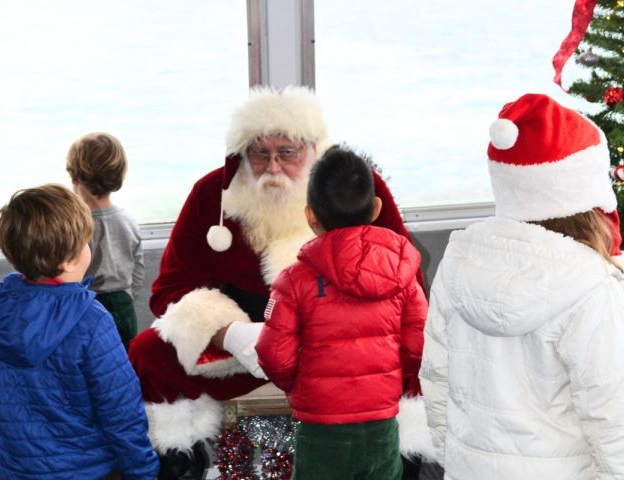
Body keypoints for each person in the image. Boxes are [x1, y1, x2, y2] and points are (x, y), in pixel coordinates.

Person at [128, 86, 434, 479]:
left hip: (344, 340)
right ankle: (181, 460)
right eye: (260, 154)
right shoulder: (213, 195)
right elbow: (168, 291)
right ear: (242, 153)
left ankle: (406, 459)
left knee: (419, 352)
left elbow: (406, 279)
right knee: (148, 352)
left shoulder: (352, 184)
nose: (273, 168)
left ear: (312, 149)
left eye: (287, 153)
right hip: (237, 345)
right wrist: (229, 333)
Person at [419, 93, 624, 479]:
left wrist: (458, 459)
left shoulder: (460, 262)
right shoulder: (590, 286)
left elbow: (437, 378)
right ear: (588, 192)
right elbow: (616, 419)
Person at [255, 146, 428, 480]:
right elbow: (418, 346)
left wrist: (300, 385)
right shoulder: (402, 275)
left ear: (310, 216)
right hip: (381, 423)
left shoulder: (293, 281)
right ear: (376, 207)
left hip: (321, 427)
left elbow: (273, 355)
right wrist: (388, 377)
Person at [0, 184, 159, 480]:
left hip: (19, 468)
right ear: (68, 260)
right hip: (91, 470)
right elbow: (120, 407)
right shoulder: (92, 320)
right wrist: (142, 469)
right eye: (86, 242)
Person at [66, 132, 144, 350]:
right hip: (124, 308)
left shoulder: (77, 225)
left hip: (88, 306)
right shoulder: (128, 219)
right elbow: (138, 266)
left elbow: (69, 272)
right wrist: (127, 296)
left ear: (75, 179)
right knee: (123, 362)